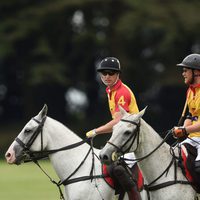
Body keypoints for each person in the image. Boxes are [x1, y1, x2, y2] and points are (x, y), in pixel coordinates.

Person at [86, 57, 142, 199]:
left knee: (117, 167)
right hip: (123, 136)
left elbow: (118, 121)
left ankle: (135, 195)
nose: (107, 76)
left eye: (111, 73)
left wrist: (95, 131)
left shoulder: (122, 92)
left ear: (118, 74)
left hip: (132, 137)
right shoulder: (110, 90)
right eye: (103, 73)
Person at [172, 53, 200, 173]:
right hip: (194, 138)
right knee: (172, 156)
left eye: (185, 70)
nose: (183, 74)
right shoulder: (190, 90)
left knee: (199, 167)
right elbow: (191, 116)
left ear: (196, 72)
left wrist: (184, 131)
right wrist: (181, 129)